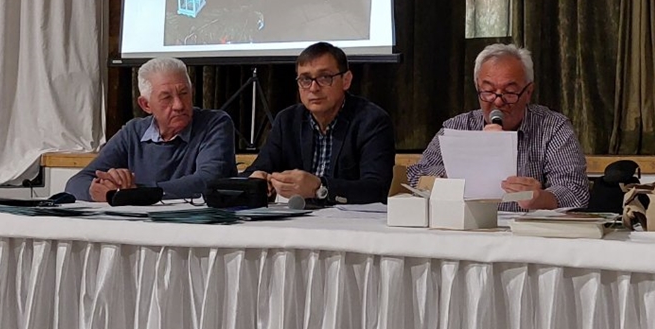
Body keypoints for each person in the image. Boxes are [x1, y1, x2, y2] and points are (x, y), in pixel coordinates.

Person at [407, 43, 590, 211]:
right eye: (488, 91)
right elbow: (415, 177)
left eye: (509, 92)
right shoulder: (458, 127)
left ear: (528, 92)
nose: (498, 101)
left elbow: (575, 190)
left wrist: (541, 199)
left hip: (526, 230)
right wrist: (459, 170)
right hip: (467, 228)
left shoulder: (553, 128)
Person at [65, 57, 237, 201]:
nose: (179, 105)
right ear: (146, 105)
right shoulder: (133, 132)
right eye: (166, 97)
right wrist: (97, 190)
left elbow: (208, 181)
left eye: (184, 93)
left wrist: (135, 193)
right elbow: (75, 183)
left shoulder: (214, 123)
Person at [244, 42, 395, 205]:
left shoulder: (372, 121)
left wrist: (320, 187)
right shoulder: (287, 121)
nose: (314, 88)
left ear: (346, 80)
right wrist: (256, 180)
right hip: (298, 218)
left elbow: (377, 189)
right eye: (305, 79)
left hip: (353, 219)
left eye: (324, 78)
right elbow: (253, 172)